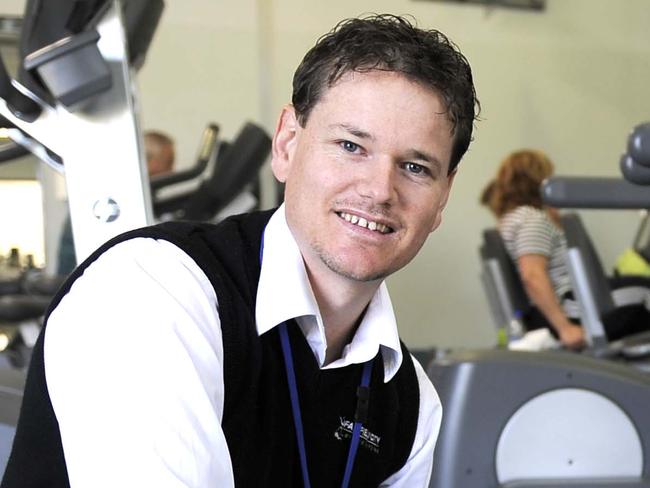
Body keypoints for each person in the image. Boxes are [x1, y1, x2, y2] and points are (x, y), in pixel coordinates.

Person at [2, 14, 478, 487]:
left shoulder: (413, 403)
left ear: (442, 198)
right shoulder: (151, 292)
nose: (379, 190)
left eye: (415, 167)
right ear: (288, 143)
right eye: (351, 146)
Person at [55, 130, 175, 275]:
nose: (172, 170)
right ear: (148, 161)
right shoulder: (113, 199)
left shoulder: (141, 197)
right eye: (169, 162)